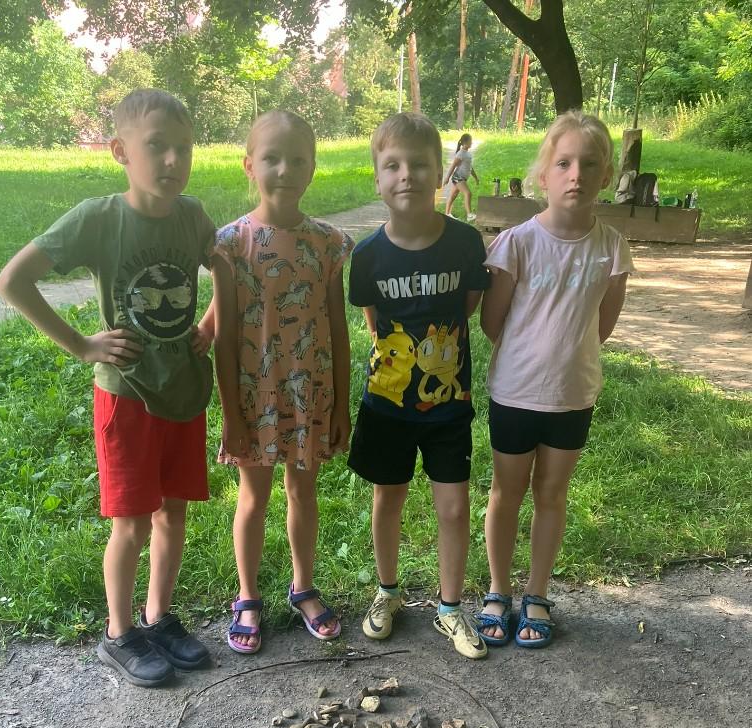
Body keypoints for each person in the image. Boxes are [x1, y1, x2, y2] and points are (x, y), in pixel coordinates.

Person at [0, 89, 216, 687]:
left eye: (183, 148)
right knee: (133, 523)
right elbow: (13, 280)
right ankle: (120, 633)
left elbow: (229, 268)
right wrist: (82, 345)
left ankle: (159, 618)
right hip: (127, 395)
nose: (173, 160)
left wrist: (210, 324)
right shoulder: (98, 218)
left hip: (183, 393)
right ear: (120, 151)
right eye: (157, 146)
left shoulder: (193, 215)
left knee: (173, 515)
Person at [476, 110, 633, 649]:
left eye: (590, 164)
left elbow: (603, 325)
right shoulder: (516, 243)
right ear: (543, 174)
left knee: (552, 494)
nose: (576, 174)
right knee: (506, 493)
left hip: (573, 396)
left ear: (606, 175)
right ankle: (498, 590)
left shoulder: (611, 247)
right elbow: (492, 322)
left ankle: (537, 592)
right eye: (564, 163)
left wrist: (567, 359)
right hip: (515, 393)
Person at [210, 110, 353, 654]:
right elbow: (225, 338)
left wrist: (340, 404)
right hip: (254, 397)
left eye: (297, 160)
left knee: (303, 491)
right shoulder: (231, 244)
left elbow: (337, 329)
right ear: (250, 165)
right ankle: (247, 595)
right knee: (253, 497)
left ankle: (303, 586)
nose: (285, 170)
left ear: (313, 168)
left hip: (309, 394)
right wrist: (232, 413)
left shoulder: (329, 244)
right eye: (272, 158)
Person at [348, 112, 490, 660]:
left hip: (449, 405)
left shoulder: (465, 243)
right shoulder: (366, 256)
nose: (406, 174)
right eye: (393, 165)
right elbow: (374, 323)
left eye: (419, 164)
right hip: (387, 404)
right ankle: (387, 592)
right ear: (377, 179)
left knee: (453, 508)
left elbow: (468, 307)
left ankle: (450, 608)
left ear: (441, 172)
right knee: (388, 499)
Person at [443, 133, 479, 222]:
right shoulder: (460, 154)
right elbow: (453, 166)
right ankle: (469, 215)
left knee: (453, 196)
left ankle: (447, 214)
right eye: (470, 141)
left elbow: (470, 167)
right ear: (465, 142)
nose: (472, 143)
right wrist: (447, 178)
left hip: (462, 178)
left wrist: (476, 177)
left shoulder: (468, 154)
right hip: (458, 178)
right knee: (468, 193)